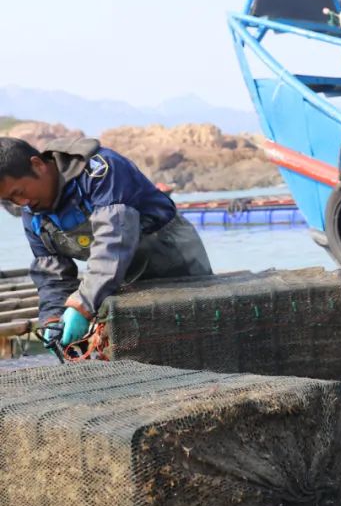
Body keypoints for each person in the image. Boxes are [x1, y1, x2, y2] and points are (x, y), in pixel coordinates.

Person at [0, 137, 212, 352]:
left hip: (172, 256)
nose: (20, 203)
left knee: (197, 330)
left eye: (19, 192)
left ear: (38, 165)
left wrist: (81, 305)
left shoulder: (101, 170)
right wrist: (53, 319)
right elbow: (53, 277)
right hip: (120, 275)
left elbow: (113, 241)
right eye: (10, 199)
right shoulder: (32, 214)